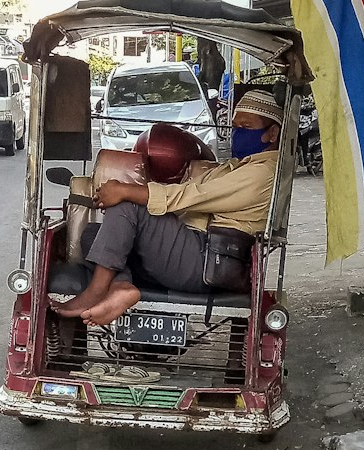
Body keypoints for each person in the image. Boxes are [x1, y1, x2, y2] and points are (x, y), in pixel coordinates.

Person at [58, 87, 285, 327]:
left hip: (206, 261)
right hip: (192, 252)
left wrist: (127, 191)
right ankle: (120, 286)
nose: (238, 133)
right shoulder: (240, 166)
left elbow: (190, 195)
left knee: (128, 204)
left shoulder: (262, 173)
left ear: (272, 133)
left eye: (246, 128)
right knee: (94, 232)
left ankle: (96, 291)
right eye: (235, 127)